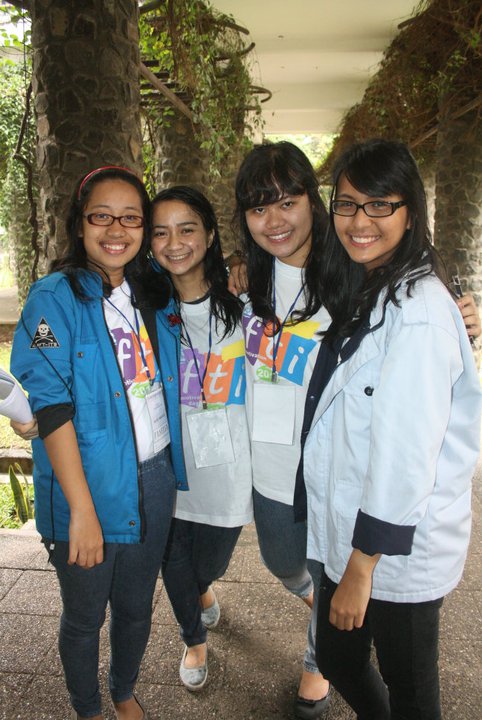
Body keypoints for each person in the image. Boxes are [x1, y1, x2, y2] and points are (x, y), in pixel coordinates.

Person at [302, 139, 481, 719]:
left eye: (380, 204)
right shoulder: (368, 282)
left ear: (410, 211)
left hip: (393, 545)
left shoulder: (419, 312)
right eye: (348, 204)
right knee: (337, 657)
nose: (360, 221)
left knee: (411, 688)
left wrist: (361, 568)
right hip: (356, 531)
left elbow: (405, 455)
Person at [10, 166, 187, 720]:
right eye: (101, 216)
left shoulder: (153, 290)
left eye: (131, 218)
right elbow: (52, 406)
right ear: (80, 223)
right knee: (85, 616)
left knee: (136, 607)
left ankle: (123, 690)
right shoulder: (54, 298)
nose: (116, 230)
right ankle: (87, 708)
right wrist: (81, 512)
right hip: (86, 485)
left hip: (155, 475)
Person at [233, 141, 331, 719]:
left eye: (287, 202)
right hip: (271, 465)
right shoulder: (246, 286)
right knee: (283, 563)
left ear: (312, 201)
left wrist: (462, 315)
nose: (274, 220)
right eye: (258, 207)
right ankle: (327, 607)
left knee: (330, 569)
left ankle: (320, 660)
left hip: (331, 466)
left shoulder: (350, 278)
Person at [149, 186, 252, 691]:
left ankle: (203, 590)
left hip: (227, 469)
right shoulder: (145, 311)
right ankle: (193, 638)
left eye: (187, 229)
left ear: (210, 235)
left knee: (207, 563)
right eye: (161, 232)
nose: (174, 243)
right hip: (170, 465)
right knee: (171, 558)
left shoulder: (245, 300)